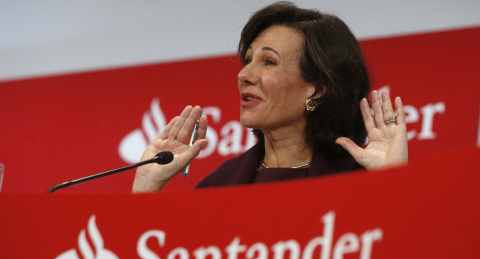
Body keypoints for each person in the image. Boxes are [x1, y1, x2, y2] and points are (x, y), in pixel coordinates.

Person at [132, 2, 408, 192]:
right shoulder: (217, 187)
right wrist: (147, 186)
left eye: (269, 62)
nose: (244, 75)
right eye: (248, 59)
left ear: (317, 88)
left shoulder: (358, 180)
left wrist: (394, 184)